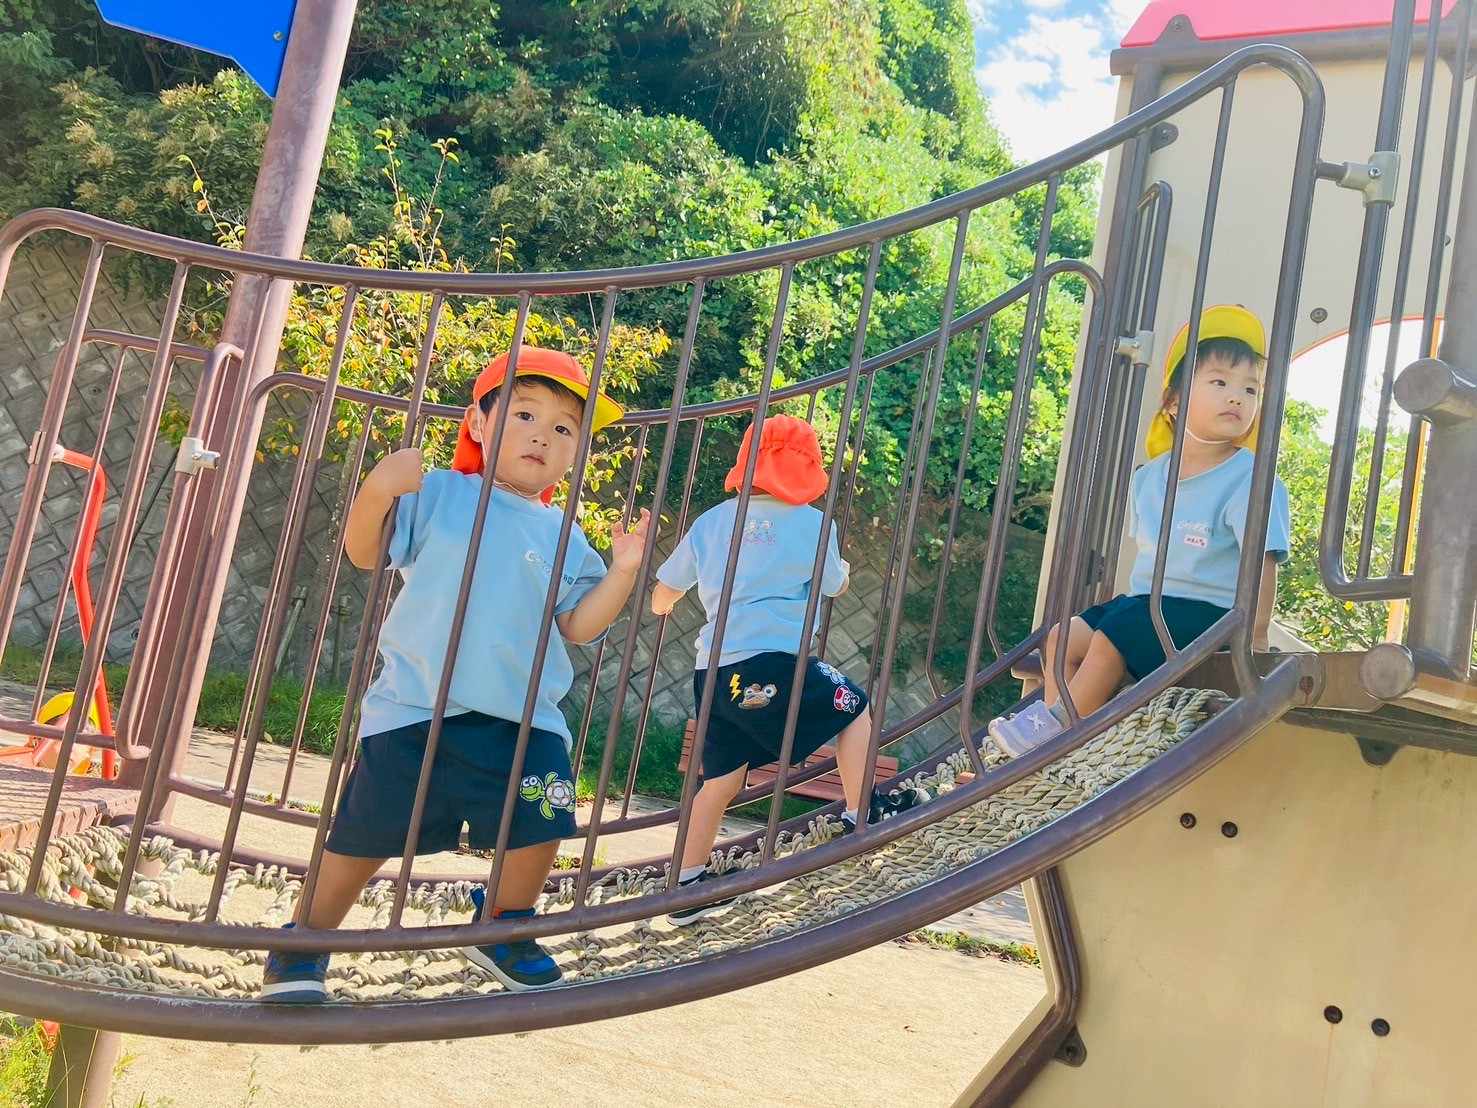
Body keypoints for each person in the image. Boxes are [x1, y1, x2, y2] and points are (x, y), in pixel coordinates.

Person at [261, 347, 650, 1001]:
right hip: (417, 704)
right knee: (363, 835)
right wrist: (378, 488)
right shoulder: (442, 492)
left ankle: (502, 925)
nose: (542, 436)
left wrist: (623, 572)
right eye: (524, 414)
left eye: (563, 428)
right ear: (477, 423)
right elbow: (366, 552)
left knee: (544, 822)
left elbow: (579, 625)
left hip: (523, 717)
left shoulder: (564, 535)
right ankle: (304, 942)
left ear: (576, 452)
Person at [651, 414, 926, 926]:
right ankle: (862, 809)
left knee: (720, 782)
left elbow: (664, 593)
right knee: (853, 706)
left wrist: (665, 603)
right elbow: (834, 584)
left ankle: (685, 885)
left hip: (713, 673)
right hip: (771, 666)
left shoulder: (713, 521)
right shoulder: (813, 525)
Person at [988, 305, 1291, 756]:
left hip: (1214, 614)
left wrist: (1257, 634)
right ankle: (1057, 731)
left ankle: (1057, 730)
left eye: (1250, 389)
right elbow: (1148, 565)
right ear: (1174, 402)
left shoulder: (1249, 478)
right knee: (1062, 636)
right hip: (1149, 604)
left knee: (1118, 633)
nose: (1237, 398)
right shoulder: (1149, 478)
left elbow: (1262, 561)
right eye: (1220, 383)